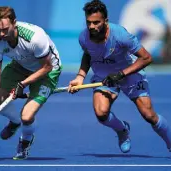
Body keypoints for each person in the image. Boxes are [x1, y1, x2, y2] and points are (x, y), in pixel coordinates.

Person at [68, 0, 171, 153]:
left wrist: (121, 74)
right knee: (101, 113)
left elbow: (146, 58)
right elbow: (88, 55)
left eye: (96, 22)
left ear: (106, 21)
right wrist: (80, 77)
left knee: (149, 115)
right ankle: (122, 130)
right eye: (88, 22)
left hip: (129, 72)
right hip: (105, 77)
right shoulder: (84, 37)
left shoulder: (121, 35)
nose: (91, 27)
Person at [0, 6, 62, 159]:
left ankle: (25, 141)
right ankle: (14, 121)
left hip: (47, 70)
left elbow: (47, 67)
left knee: (27, 116)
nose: (1, 34)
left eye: (5, 29)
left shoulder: (34, 37)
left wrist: (23, 84)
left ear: (15, 23)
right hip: (21, 65)